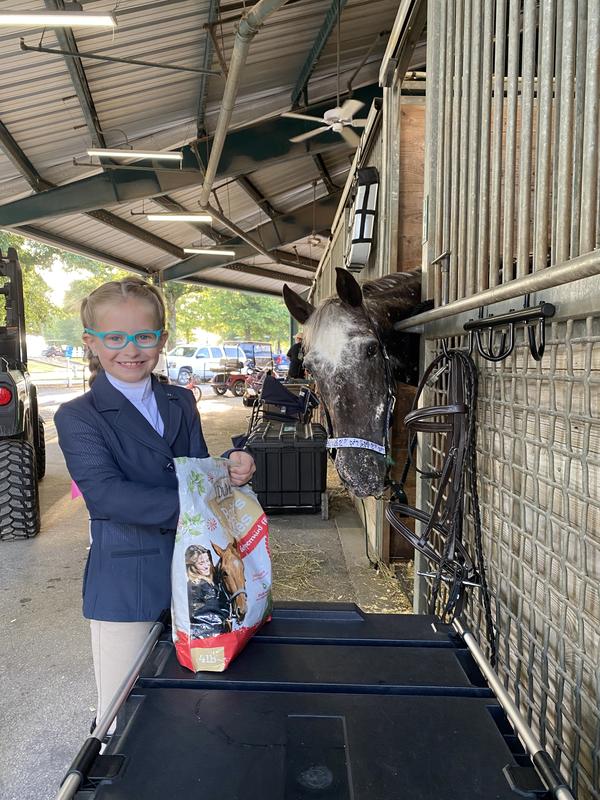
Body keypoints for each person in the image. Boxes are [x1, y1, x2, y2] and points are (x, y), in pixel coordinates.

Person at [54, 277, 255, 731]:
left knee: (195, 694)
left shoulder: (180, 400)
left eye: (144, 336)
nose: (131, 349)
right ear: (91, 342)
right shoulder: (78, 416)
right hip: (128, 581)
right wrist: (194, 508)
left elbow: (195, 468)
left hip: (195, 575)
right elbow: (105, 495)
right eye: (115, 338)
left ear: (162, 339)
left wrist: (230, 466)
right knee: (120, 707)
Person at [185, 545, 229, 638]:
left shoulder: (206, 582)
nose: (206, 566)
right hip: (208, 636)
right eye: (201, 563)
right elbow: (214, 610)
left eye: (207, 561)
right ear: (192, 566)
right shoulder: (200, 586)